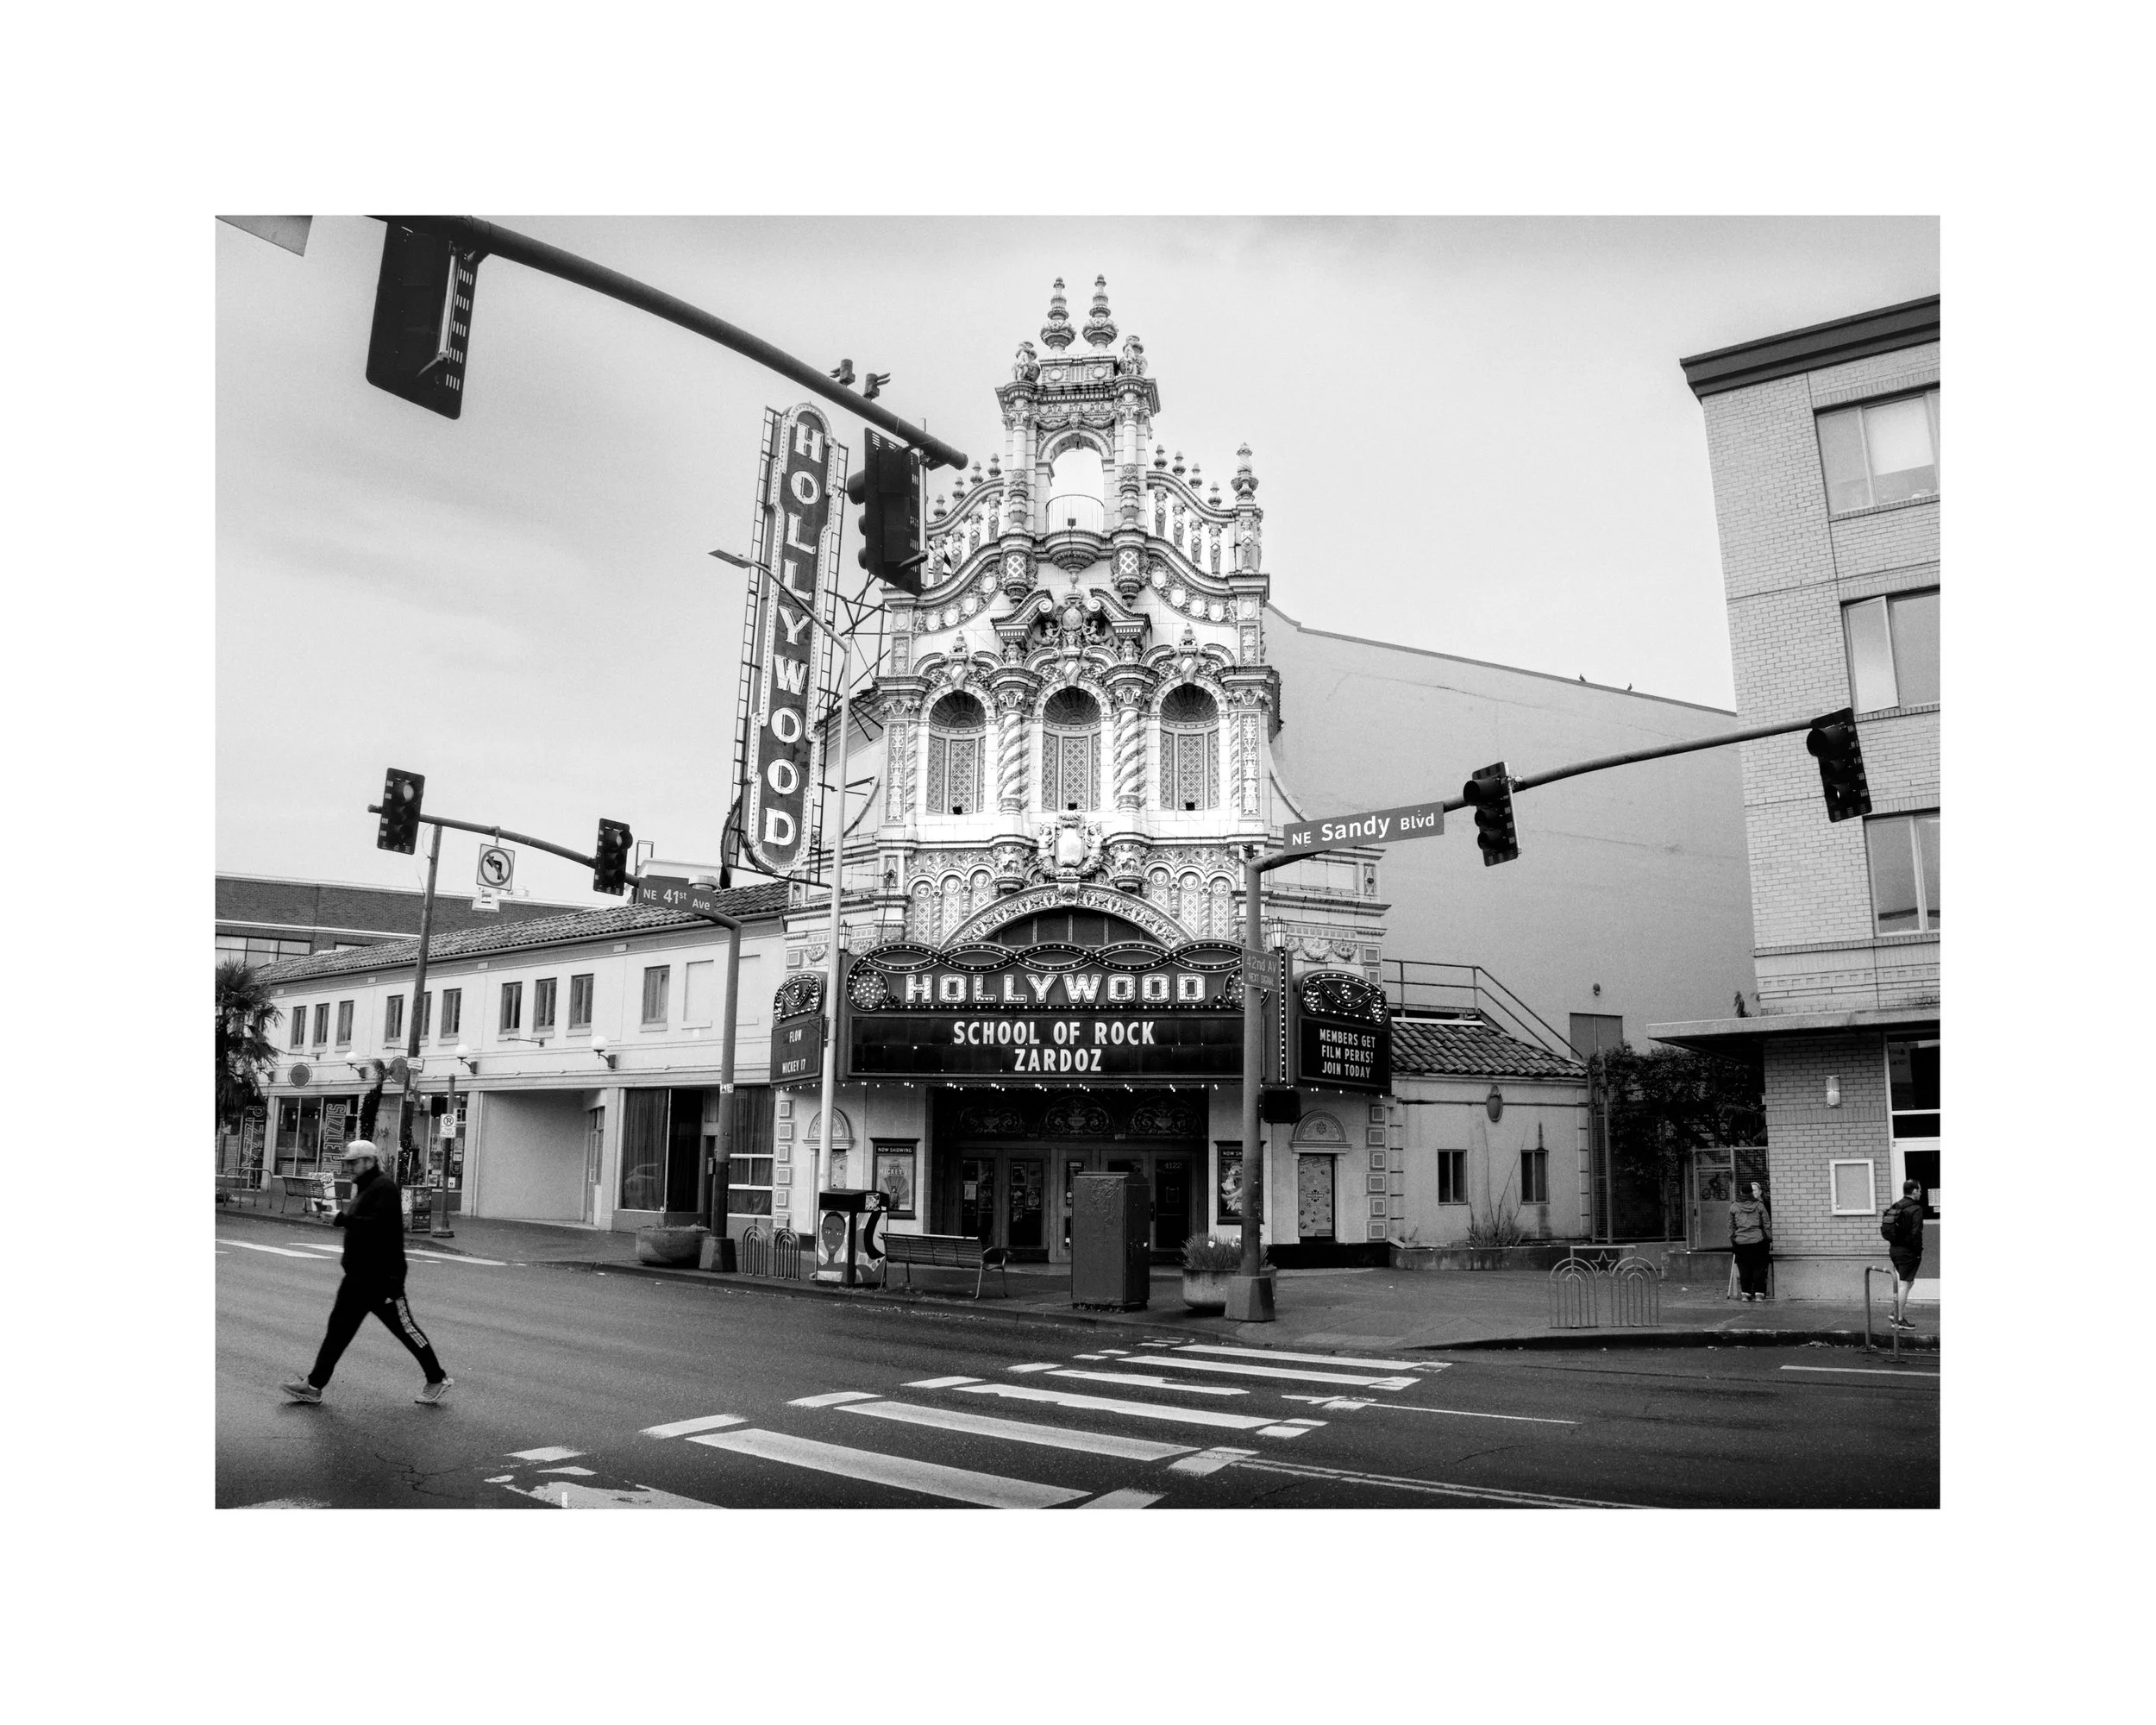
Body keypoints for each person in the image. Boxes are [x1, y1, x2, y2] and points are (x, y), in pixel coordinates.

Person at [281, 1140, 453, 1407]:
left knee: (406, 1330)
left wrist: (341, 1219)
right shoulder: (365, 1188)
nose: (349, 1167)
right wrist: (340, 1220)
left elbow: (378, 1228)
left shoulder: (384, 1187)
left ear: (369, 1162)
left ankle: (437, 1378)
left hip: (383, 1280)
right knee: (337, 1331)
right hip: (357, 1279)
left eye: (353, 1163)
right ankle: (314, 1386)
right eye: (347, 1163)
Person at [1880, 1178, 1927, 1328]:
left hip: (1894, 1249)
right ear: (1914, 1191)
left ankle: (1895, 1312)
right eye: (1919, 1190)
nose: (1921, 1193)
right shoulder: (1916, 1209)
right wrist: (1918, 1252)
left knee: (1908, 1282)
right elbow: (1916, 1233)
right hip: (1908, 1251)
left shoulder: (1896, 1205)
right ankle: (1898, 1319)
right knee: (1905, 1284)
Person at [1728, 1180, 1772, 1302]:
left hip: (1741, 1242)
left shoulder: (1734, 1206)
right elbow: (1766, 1223)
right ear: (1751, 1193)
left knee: (1744, 1268)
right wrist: (1768, 1238)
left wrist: (1733, 1238)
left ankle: (1745, 1294)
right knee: (1759, 1267)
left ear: (1741, 1192)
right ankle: (1759, 1294)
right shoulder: (1759, 1206)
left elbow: (1730, 1226)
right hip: (1758, 1241)